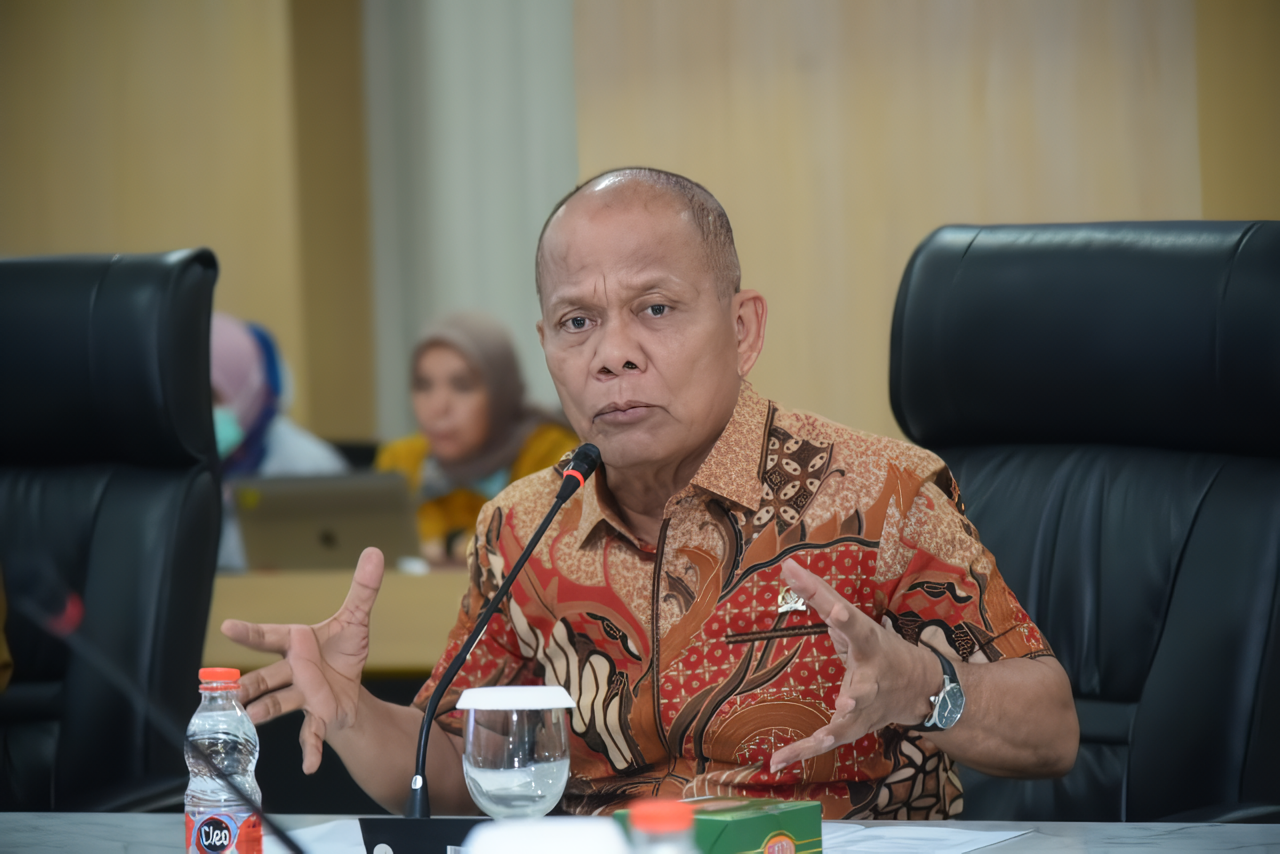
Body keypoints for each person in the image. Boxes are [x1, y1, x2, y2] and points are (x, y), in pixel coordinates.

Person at [222, 168, 1078, 819]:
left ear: (742, 329)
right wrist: (352, 713)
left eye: (656, 309)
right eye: (577, 322)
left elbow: (1052, 729)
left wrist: (922, 685)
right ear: (546, 346)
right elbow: (450, 772)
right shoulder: (520, 527)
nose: (613, 355)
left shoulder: (879, 493)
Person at [375, 314, 578, 563]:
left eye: (462, 386)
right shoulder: (400, 461)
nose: (438, 407)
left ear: (500, 392)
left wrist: (450, 547)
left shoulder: (556, 457)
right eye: (423, 385)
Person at [212, 312, 348, 570]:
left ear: (245, 391)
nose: (201, 411)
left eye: (212, 396)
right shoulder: (174, 467)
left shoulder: (309, 466)